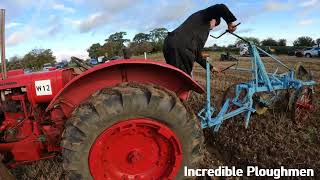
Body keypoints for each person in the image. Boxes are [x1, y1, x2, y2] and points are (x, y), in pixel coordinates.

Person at [163, 4, 237, 75]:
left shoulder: (198, 29)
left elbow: (197, 55)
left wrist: (211, 68)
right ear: (214, 20)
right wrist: (230, 23)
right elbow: (221, 7)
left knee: (175, 76)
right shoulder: (204, 16)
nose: (212, 28)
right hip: (181, 46)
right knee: (181, 80)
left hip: (169, 43)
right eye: (215, 25)